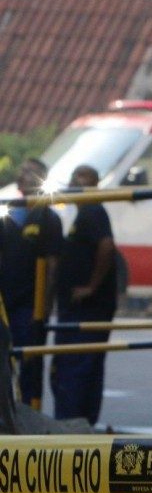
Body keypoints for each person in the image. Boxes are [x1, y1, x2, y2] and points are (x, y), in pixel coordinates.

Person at [51, 165, 117, 425]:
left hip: (87, 308)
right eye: (73, 176)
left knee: (74, 370)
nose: (76, 183)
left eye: (84, 178)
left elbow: (106, 245)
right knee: (78, 369)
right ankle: (80, 424)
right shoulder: (81, 216)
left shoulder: (92, 210)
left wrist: (91, 286)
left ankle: (73, 426)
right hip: (79, 308)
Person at [0, 157, 63, 404]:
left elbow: (53, 264)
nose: (23, 175)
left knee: (29, 361)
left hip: (30, 304)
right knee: (5, 360)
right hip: (6, 300)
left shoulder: (47, 217)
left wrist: (44, 306)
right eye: (22, 169)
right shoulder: (8, 210)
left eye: (30, 172)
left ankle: (30, 409)